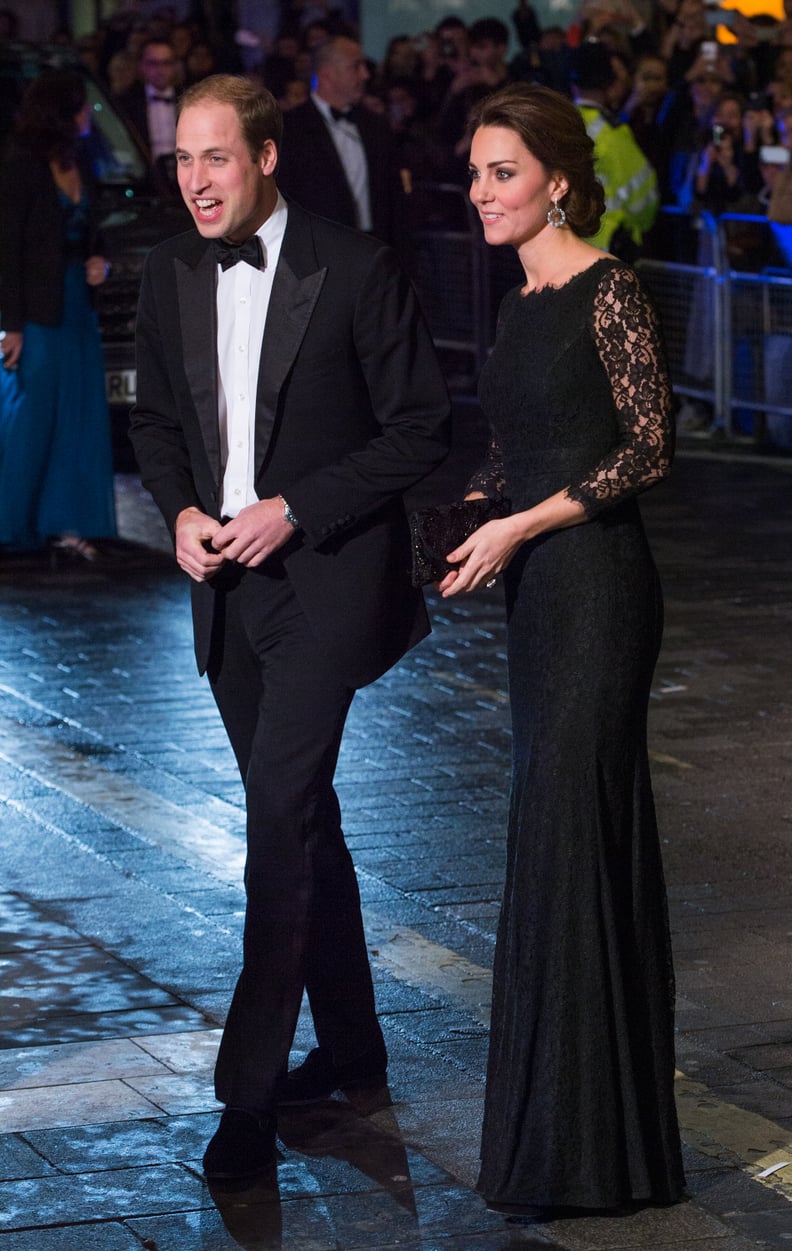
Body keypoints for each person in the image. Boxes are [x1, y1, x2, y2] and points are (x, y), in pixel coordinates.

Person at [128, 74, 450, 1183]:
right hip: (223, 593)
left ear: (265, 156)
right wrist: (176, 509)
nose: (197, 181)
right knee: (305, 819)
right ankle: (356, 1050)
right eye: (182, 160)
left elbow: (422, 430)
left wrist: (297, 508)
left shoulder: (354, 265)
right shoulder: (169, 270)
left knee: (273, 817)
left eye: (215, 158)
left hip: (323, 583)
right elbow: (157, 418)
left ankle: (248, 1096)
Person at [439, 82, 685, 1214]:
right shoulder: (519, 302)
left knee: (578, 835)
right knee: (550, 839)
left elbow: (647, 450)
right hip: (535, 600)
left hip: (597, 592)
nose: (483, 192)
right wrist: (469, 511)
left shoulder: (609, 289)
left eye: (503, 173)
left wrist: (523, 522)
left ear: (557, 182)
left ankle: (597, 1147)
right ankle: (571, 1135)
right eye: (477, 173)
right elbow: (520, 444)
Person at [0, 69, 116, 558]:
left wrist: (100, 261)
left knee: (79, 415)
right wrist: (10, 325)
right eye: (81, 106)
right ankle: (14, 523)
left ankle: (66, 522)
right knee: (32, 417)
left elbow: (94, 228)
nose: (89, 114)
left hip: (75, 306)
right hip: (37, 310)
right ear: (61, 113)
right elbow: (6, 250)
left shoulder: (82, 161)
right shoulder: (20, 165)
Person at [277, 35, 403, 245]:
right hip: (318, 250)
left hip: (376, 249)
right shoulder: (290, 128)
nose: (365, 75)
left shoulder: (376, 125)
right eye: (356, 67)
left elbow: (394, 199)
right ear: (327, 75)